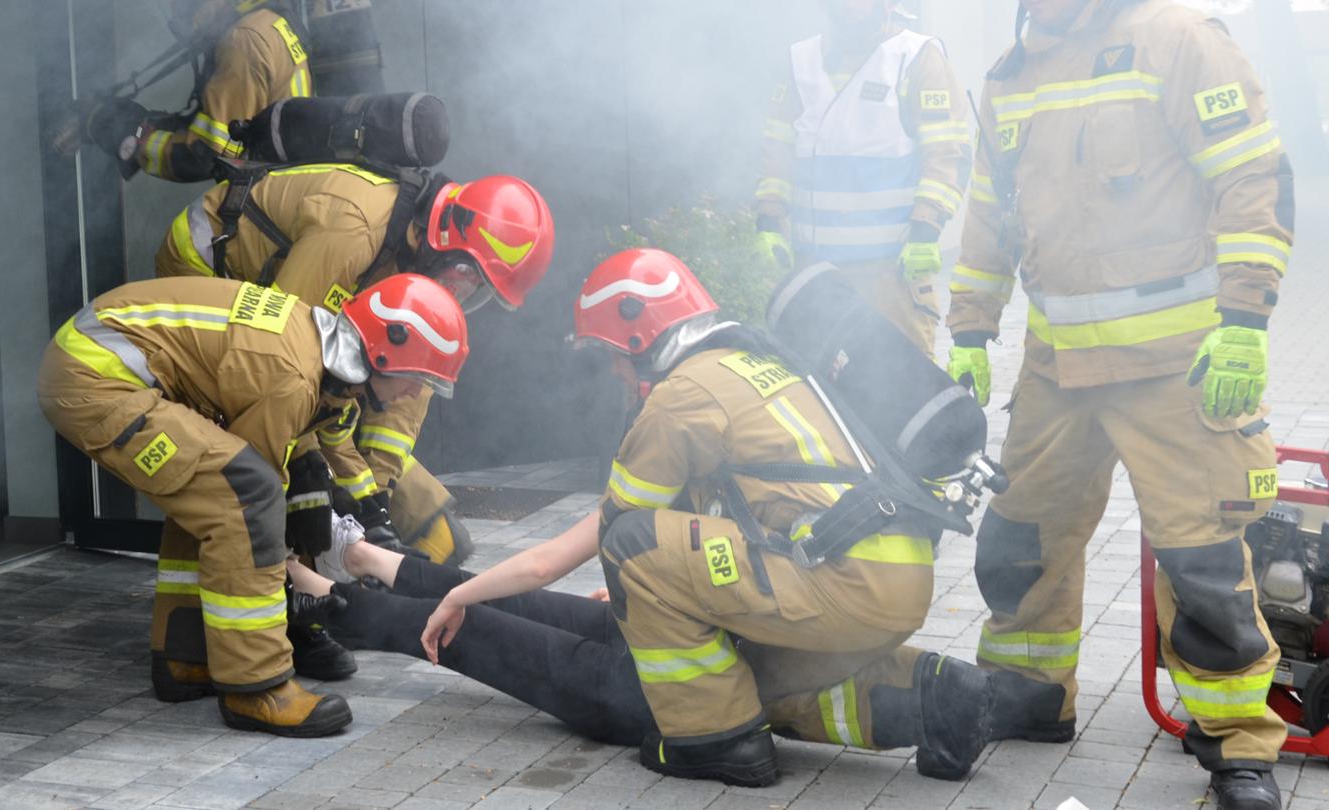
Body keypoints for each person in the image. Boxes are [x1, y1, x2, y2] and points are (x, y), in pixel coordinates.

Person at [297, 249, 993, 785]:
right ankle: (359, 561)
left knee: (564, 602)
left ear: (638, 335)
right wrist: (662, 591)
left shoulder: (685, 397)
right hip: (859, 580)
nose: (619, 379)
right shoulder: (756, 364)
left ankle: (714, 738)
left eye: (609, 359)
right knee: (592, 609)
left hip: (829, 586)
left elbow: (597, 544)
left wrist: (459, 592)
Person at [950, 1, 1294, 807]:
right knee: (1020, 536)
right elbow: (989, 214)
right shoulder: (1015, 70)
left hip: (1177, 363)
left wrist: (1244, 319)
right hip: (1055, 365)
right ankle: (1029, 693)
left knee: (1202, 557)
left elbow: (1252, 174)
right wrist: (969, 331)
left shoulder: (1177, 36)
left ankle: (1238, 744)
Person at [37, 273, 468, 736]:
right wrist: (306, 584)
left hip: (102, 364)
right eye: (416, 379)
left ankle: (185, 657)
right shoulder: (290, 376)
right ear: (383, 353)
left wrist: (374, 517)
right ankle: (255, 687)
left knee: (209, 491)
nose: (412, 394)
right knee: (240, 493)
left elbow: (336, 446)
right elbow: (256, 500)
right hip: (96, 379)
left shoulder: (325, 366)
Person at [156, 163, 556, 568]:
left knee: (347, 437)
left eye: (478, 292)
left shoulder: (419, 263)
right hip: (207, 267)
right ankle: (249, 585)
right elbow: (287, 357)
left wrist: (375, 504)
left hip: (279, 295)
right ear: (449, 240)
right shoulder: (354, 229)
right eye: (466, 279)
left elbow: (402, 402)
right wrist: (309, 468)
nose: (460, 294)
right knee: (262, 437)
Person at [754, 0, 971, 355]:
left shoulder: (916, 57)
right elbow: (776, 147)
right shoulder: (799, 61)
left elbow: (946, 153)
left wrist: (926, 229)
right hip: (816, 271)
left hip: (890, 275)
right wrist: (768, 218)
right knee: (821, 396)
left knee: (901, 393)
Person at [84, 0, 313, 183]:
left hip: (269, 192)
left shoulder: (242, 39)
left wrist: (135, 141)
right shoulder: (264, 20)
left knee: (182, 238)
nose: (176, 13)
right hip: (286, 181)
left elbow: (206, 155)